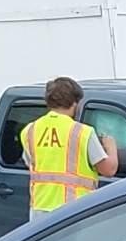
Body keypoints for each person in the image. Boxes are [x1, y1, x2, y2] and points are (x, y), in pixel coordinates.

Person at [20, 77, 117, 218]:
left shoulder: (30, 130)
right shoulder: (82, 132)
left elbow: (31, 163)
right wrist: (111, 147)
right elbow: (109, 169)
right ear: (75, 102)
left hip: (39, 209)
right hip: (74, 210)